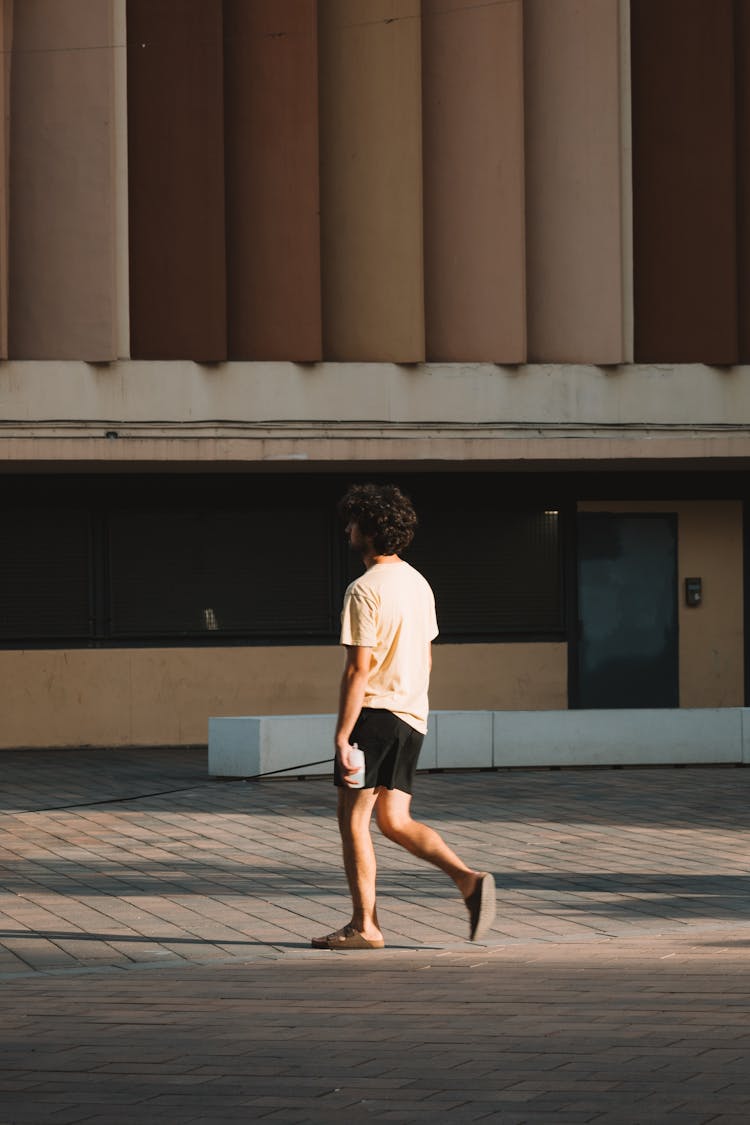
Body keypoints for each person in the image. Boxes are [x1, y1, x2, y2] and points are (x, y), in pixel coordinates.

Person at [312, 483, 496, 950]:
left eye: (353, 522)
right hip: (412, 716)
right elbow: (426, 658)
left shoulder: (363, 590)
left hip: (374, 716)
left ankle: (364, 926)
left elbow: (359, 669)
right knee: (393, 821)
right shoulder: (419, 583)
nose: (347, 530)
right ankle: (468, 880)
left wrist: (341, 737)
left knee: (354, 822)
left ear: (370, 530)